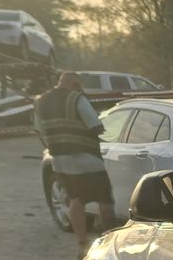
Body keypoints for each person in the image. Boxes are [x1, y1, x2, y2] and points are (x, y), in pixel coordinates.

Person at [34, 72, 113, 237]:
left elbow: (39, 129)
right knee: (105, 201)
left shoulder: (40, 101)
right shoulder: (76, 98)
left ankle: (82, 244)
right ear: (75, 84)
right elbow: (95, 125)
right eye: (80, 86)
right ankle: (108, 238)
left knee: (76, 200)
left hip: (60, 160)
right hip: (87, 158)